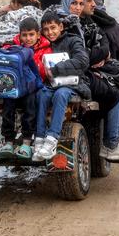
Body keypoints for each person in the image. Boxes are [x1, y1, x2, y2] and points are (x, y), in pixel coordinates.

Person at [61, 0, 119, 161]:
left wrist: (100, 53)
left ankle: (116, 141)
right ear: (67, 3)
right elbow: (83, 57)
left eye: (82, 3)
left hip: (85, 71)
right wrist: (97, 55)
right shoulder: (66, 25)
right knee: (117, 96)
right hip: (77, 75)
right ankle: (111, 145)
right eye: (76, 3)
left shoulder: (88, 22)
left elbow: (103, 45)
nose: (79, 6)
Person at [33, 9, 90, 160]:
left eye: (53, 28)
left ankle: (52, 139)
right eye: (46, 29)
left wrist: (57, 69)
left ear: (61, 27)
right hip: (50, 86)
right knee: (42, 94)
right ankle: (39, 139)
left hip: (74, 84)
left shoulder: (73, 40)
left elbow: (83, 61)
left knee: (61, 94)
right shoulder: (43, 44)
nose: (50, 32)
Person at [83, 0, 119, 143]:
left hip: (94, 71)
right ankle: (116, 140)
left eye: (92, 0)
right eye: (88, 1)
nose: (92, 4)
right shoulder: (108, 26)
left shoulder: (91, 24)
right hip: (91, 75)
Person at [0, 17, 49, 159]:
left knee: (30, 104)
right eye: (24, 35)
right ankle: (8, 141)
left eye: (31, 34)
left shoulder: (46, 49)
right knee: (7, 104)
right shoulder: (12, 48)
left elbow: (45, 71)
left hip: (33, 88)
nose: (28, 38)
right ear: (19, 35)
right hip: (15, 88)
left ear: (38, 34)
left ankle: (27, 141)